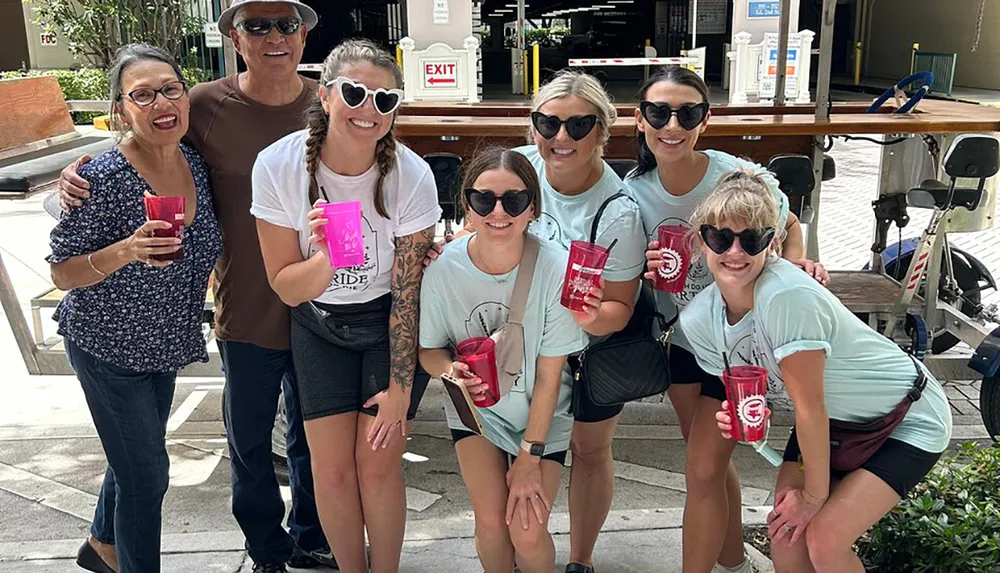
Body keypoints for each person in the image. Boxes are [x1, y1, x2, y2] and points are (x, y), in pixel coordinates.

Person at [57, 1, 331, 570]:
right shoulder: (202, 107)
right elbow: (68, 257)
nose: (273, 36)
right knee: (180, 463)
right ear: (233, 36)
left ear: (305, 34)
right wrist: (83, 184)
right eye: (256, 24)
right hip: (206, 319)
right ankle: (263, 550)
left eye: (286, 24)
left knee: (309, 441)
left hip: (302, 307)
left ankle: (105, 545)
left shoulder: (332, 101)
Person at [425, 70, 646, 573]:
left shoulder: (617, 212)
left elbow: (620, 307)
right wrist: (445, 252)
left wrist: (588, 315)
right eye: (548, 123)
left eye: (578, 125)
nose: (561, 136)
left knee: (585, 458)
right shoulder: (517, 170)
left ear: (603, 131)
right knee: (492, 520)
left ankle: (581, 558)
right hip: (497, 376)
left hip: (575, 356)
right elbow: (479, 222)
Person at [678, 170, 951, 573]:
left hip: (906, 416)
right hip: (834, 424)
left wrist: (812, 498)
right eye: (720, 237)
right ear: (702, 240)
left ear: (771, 243)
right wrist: (737, 418)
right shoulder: (699, 319)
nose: (734, 251)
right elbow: (753, 396)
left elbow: (809, 408)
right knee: (787, 540)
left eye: (750, 239)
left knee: (825, 538)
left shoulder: (787, 297)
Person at [625, 66, 827, 573]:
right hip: (683, 336)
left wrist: (796, 263)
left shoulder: (735, 176)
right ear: (640, 119)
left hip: (741, 340)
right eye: (658, 112)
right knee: (705, 461)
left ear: (705, 119)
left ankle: (721, 562)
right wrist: (645, 274)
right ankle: (734, 557)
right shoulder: (633, 190)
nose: (672, 124)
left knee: (703, 464)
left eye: (687, 112)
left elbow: (790, 223)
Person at [251, 39, 439, 573]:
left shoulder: (411, 174)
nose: (369, 110)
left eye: (386, 100)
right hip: (318, 321)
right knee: (329, 472)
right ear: (327, 95)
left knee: (377, 466)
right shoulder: (278, 165)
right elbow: (287, 287)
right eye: (356, 93)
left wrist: (402, 388)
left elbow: (406, 295)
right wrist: (329, 258)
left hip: (388, 324)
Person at [47, 44, 222, 573]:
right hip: (107, 346)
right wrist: (127, 249)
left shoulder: (193, 160)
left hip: (163, 342)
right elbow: (61, 270)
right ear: (120, 109)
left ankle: (101, 548)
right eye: (141, 95)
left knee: (134, 455)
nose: (160, 102)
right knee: (147, 475)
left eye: (170, 88)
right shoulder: (102, 177)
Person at [418, 147, 589, 573]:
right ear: (467, 206)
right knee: (493, 523)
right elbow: (428, 351)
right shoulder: (442, 270)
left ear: (532, 206)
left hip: (541, 413)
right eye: (484, 199)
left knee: (528, 530)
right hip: (476, 413)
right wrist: (448, 370)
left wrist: (530, 458)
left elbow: (551, 376)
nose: (498, 212)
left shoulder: (555, 267)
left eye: (513, 200)